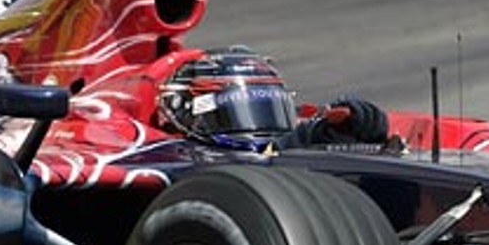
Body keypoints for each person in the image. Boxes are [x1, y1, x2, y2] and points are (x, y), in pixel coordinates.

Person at [155, 48, 390, 148]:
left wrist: (360, 119)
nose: (255, 122)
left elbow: (292, 140)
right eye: (238, 110)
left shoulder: (277, 146)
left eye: (266, 108)